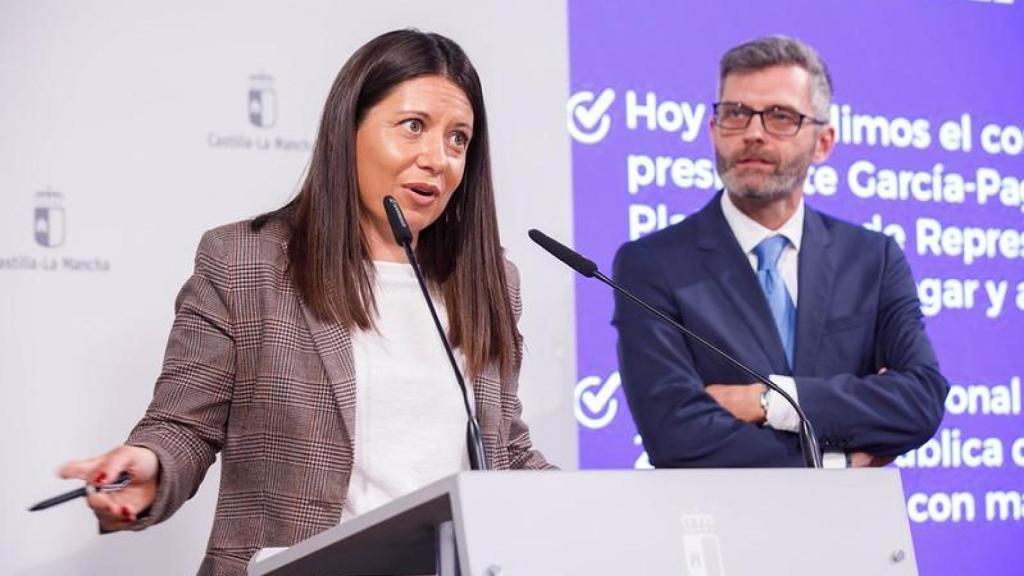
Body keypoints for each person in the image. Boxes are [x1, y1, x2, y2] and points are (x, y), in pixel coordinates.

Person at [58, 29, 553, 574]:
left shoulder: (489, 282)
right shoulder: (247, 261)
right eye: (413, 127)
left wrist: (609, 507)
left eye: (458, 139)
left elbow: (502, 451)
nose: (437, 158)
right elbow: (184, 427)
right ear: (349, 130)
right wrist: (149, 467)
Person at [612, 36, 948, 468]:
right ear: (714, 132)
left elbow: (920, 402)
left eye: (779, 116)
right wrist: (839, 463)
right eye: (735, 114)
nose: (753, 133)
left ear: (823, 142)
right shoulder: (652, 265)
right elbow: (675, 435)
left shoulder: (872, 259)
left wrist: (768, 401)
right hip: (722, 530)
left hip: (856, 531)